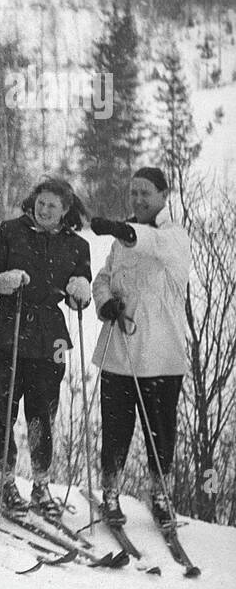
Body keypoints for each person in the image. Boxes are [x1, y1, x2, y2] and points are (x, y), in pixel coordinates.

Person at [0, 177, 91, 520]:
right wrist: (3, 281)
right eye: (41, 203)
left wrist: (80, 292)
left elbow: (80, 294)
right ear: (33, 202)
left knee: (44, 411)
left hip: (51, 336)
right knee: (2, 406)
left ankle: (41, 484)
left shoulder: (77, 245)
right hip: (8, 326)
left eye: (53, 205)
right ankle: (6, 481)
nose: (45, 210)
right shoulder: (11, 230)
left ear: (66, 209)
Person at [90, 167, 192, 530]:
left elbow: (148, 242)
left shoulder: (174, 235)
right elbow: (103, 277)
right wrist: (105, 303)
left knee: (160, 432)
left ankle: (161, 495)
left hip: (161, 354)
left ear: (165, 196)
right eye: (133, 192)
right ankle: (111, 491)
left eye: (145, 193)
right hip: (120, 351)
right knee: (116, 429)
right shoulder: (122, 241)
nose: (137, 199)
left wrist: (121, 229)